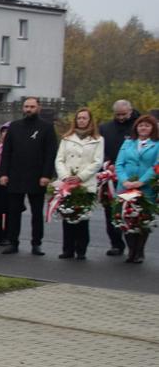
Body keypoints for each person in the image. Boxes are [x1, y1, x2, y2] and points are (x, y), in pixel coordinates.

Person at [0, 96, 59, 255]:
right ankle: (13, 242)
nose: (28, 109)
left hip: (37, 176)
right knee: (13, 211)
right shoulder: (14, 127)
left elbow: (50, 153)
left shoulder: (46, 127)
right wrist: (3, 173)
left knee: (37, 212)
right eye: (26, 106)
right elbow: (6, 152)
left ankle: (36, 243)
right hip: (15, 175)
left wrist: (47, 175)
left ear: (38, 108)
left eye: (32, 106)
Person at [54, 108, 102, 261]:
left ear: (90, 120)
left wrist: (80, 177)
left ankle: (81, 249)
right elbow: (59, 159)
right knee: (67, 216)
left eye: (84, 118)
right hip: (67, 182)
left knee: (82, 218)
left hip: (85, 183)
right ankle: (67, 249)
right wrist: (65, 176)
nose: (81, 120)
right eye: (79, 118)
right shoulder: (67, 138)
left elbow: (97, 162)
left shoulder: (98, 139)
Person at [113, 113, 159, 264]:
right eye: (140, 125)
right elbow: (119, 163)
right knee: (126, 218)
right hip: (125, 187)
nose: (143, 128)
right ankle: (131, 250)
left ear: (152, 128)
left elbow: (156, 166)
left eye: (147, 125)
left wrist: (141, 181)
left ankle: (139, 251)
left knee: (142, 219)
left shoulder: (156, 144)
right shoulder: (128, 143)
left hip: (145, 188)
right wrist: (125, 180)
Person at [99, 100, 138, 256]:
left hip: (131, 176)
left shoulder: (137, 127)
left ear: (130, 111)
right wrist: (107, 163)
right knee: (110, 211)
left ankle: (134, 246)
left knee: (131, 211)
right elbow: (100, 149)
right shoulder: (105, 128)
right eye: (118, 115)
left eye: (124, 114)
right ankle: (116, 243)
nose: (121, 117)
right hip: (110, 175)